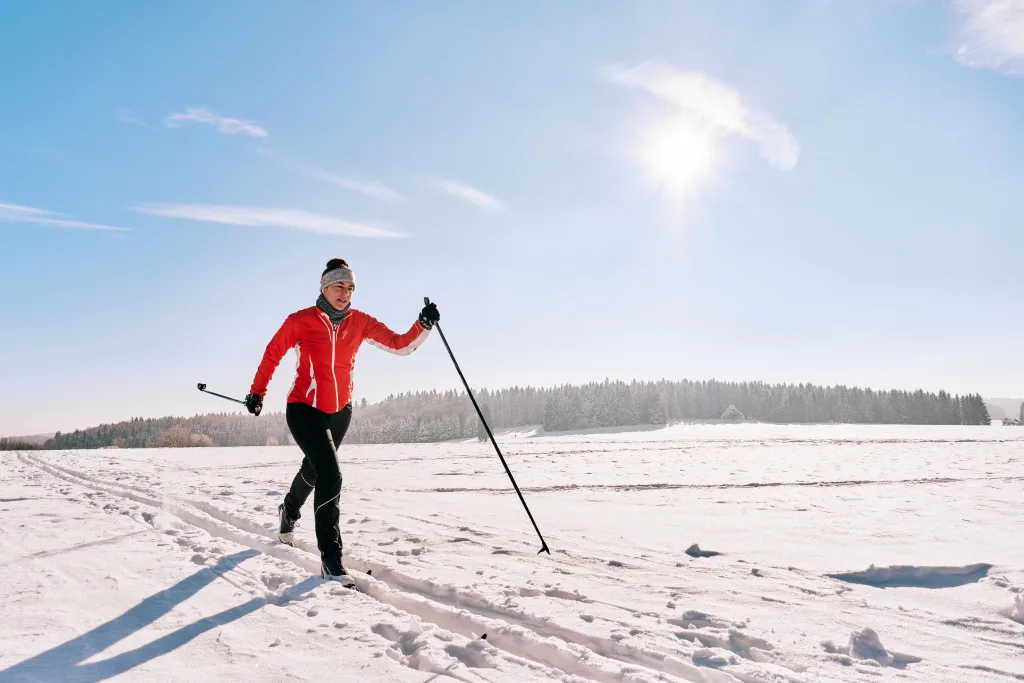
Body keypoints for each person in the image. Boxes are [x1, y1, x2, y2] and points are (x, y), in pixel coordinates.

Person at [244, 258, 439, 585]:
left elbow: (400, 344)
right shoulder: (300, 321)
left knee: (316, 467)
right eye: (339, 286)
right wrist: (257, 392)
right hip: (304, 408)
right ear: (324, 287)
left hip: (340, 411)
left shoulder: (360, 322)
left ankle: (288, 511)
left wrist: (423, 324)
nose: (345, 293)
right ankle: (331, 560)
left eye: (350, 288)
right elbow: (272, 353)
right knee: (331, 474)